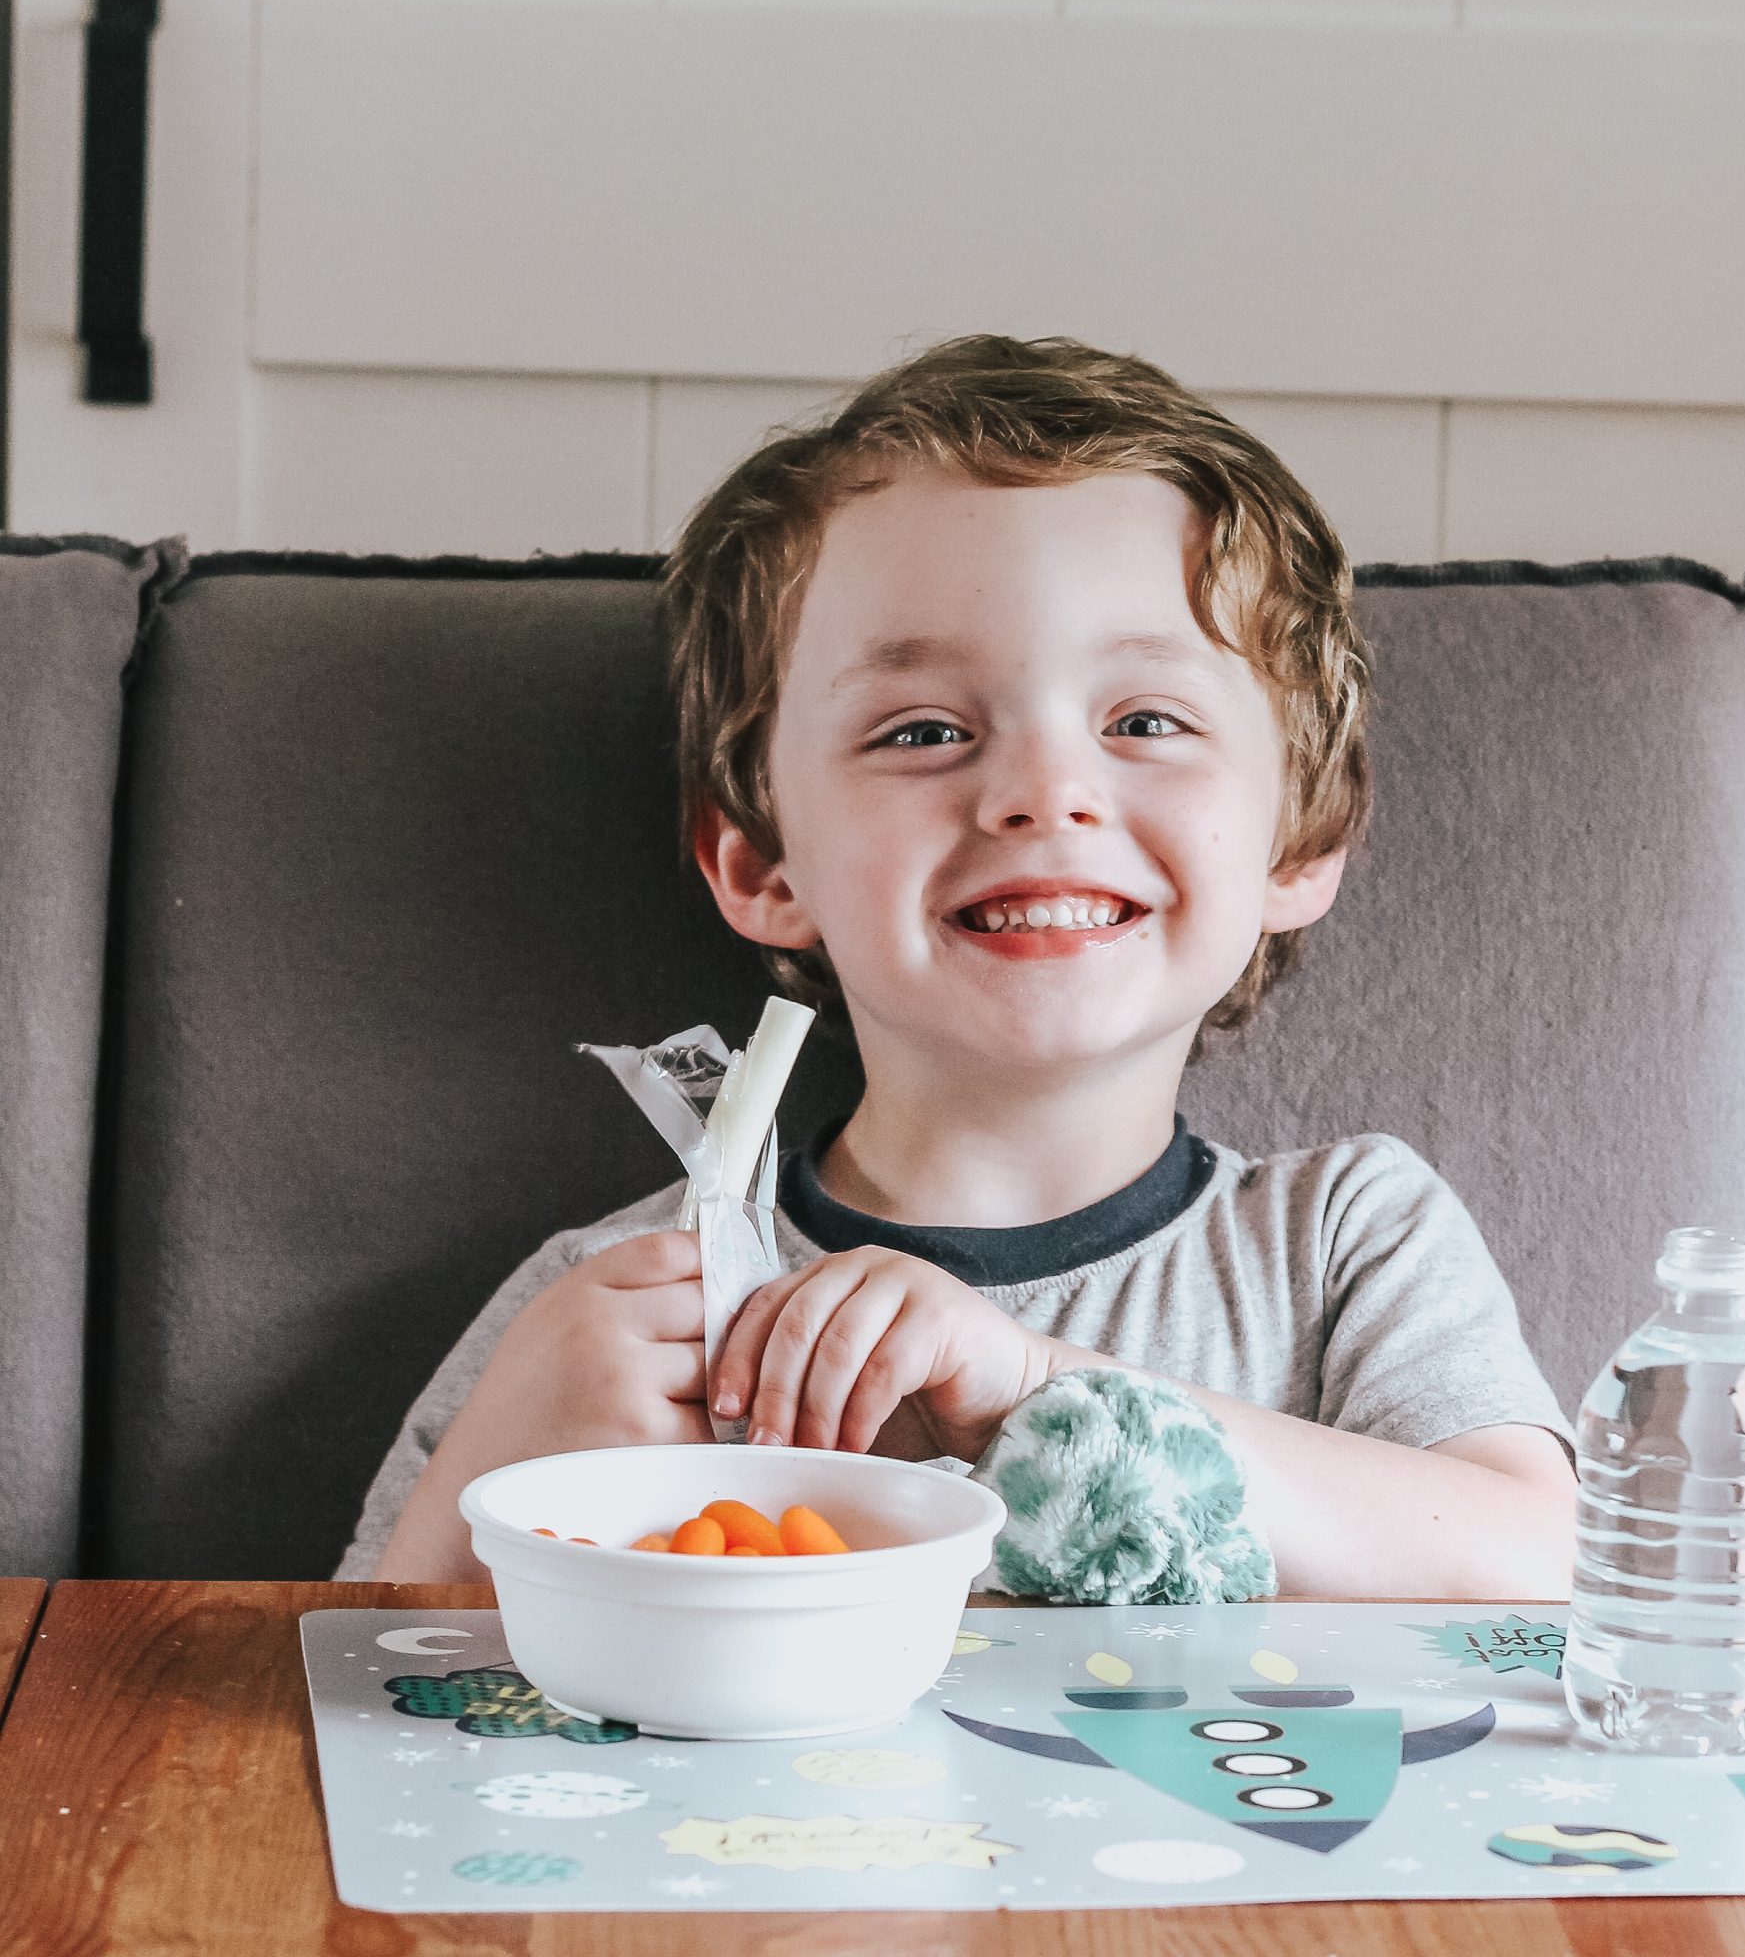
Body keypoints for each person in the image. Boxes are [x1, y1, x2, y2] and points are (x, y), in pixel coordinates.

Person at [343, 334, 1578, 1591]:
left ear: (1298, 839)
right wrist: (500, 1469)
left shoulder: (1340, 1240)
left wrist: (1046, 1392)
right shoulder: (616, 1312)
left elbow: (1547, 1573)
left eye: (1143, 720)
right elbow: (349, 1694)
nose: (1043, 793)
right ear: (765, 866)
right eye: (922, 729)